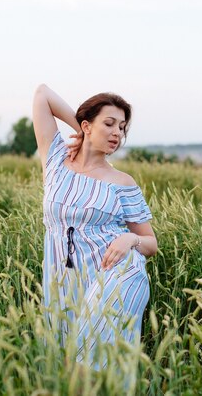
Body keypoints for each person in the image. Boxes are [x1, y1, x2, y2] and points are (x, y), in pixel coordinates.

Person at [32, 83, 158, 374]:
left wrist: (130, 239)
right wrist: (81, 129)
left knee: (85, 369)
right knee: (64, 367)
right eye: (110, 124)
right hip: (62, 280)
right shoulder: (55, 161)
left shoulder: (123, 183)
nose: (117, 133)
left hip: (114, 275)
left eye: (123, 127)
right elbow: (42, 94)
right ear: (87, 125)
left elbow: (150, 241)